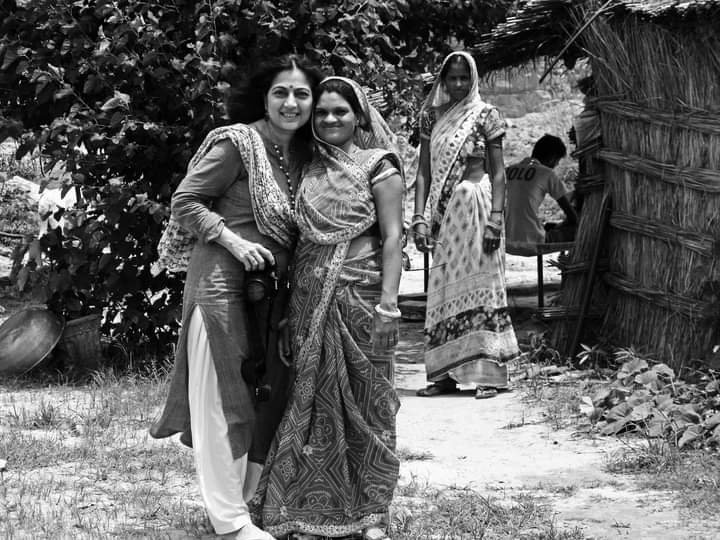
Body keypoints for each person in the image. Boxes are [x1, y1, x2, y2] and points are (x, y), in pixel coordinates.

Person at [150, 54, 323, 540]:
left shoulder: (306, 156)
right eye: (281, 92)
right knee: (223, 399)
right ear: (264, 99)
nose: (291, 103)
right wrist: (233, 241)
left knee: (266, 400)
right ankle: (229, 522)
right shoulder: (237, 143)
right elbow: (185, 201)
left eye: (302, 94)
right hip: (220, 286)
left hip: (272, 296)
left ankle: (245, 504)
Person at [251, 77, 405, 540]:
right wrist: (286, 312)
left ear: (359, 116)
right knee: (312, 405)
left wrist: (389, 306)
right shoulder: (307, 169)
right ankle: (307, 509)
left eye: (340, 111)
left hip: (361, 298)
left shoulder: (379, 166)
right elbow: (299, 243)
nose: (330, 119)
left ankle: (371, 513)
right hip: (308, 300)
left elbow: (393, 238)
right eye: (321, 112)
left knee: (369, 405)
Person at [412, 51, 520, 400]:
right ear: (443, 81)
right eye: (452, 78)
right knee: (444, 290)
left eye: (464, 77)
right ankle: (445, 375)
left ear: (473, 79)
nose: (458, 84)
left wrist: (496, 220)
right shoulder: (431, 117)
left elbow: (499, 173)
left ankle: (489, 372)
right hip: (445, 218)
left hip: (477, 210)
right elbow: (424, 172)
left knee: (483, 286)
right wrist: (419, 218)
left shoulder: (486, 116)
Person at [505, 134, 579, 254]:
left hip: (504, 241)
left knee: (549, 226)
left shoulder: (508, 170)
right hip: (532, 242)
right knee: (579, 229)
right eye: (558, 161)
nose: (556, 165)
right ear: (552, 158)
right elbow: (572, 217)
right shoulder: (546, 173)